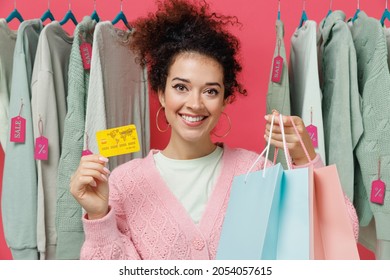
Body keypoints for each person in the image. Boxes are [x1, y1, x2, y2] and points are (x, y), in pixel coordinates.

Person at [70, 0, 355, 260]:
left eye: (210, 91)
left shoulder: (255, 171)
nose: (194, 104)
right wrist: (98, 217)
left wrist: (307, 160)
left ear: (225, 99)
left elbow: (341, 237)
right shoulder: (124, 184)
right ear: (160, 92)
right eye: (181, 87)